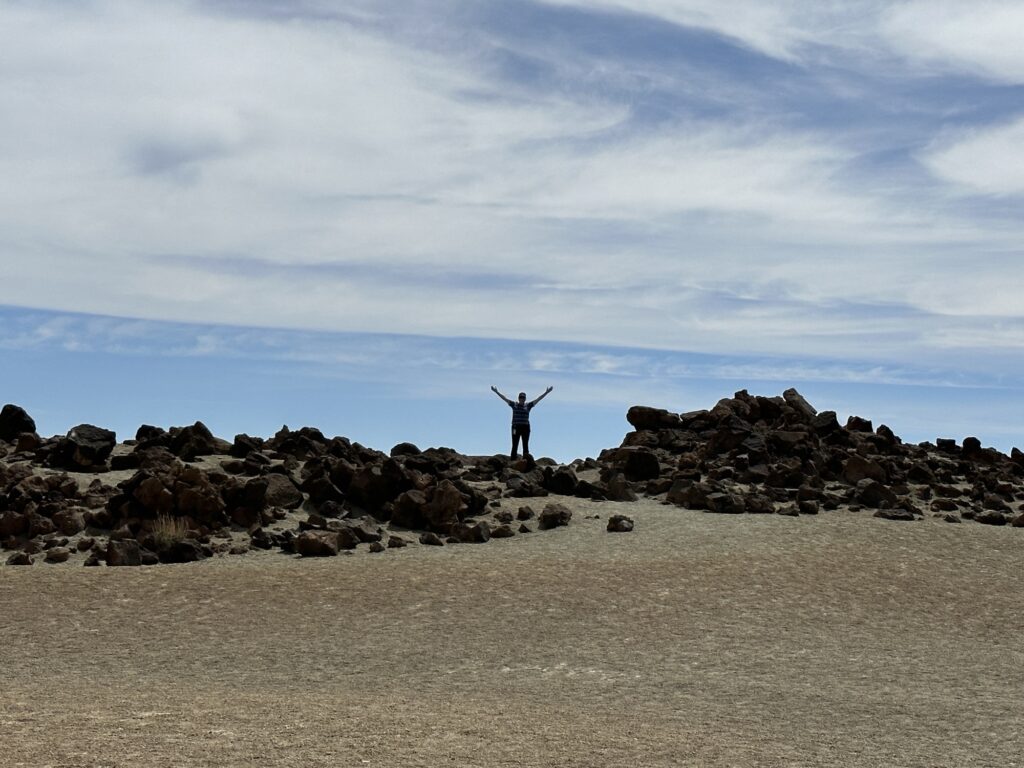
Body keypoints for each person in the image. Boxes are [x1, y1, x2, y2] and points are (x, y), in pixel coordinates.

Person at [491, 385, 553, 460]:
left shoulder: (528, 406)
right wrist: (496, 392)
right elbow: (505, 399)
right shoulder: (514, 404)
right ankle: (513, 460)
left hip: (525, 427)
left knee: (525, 445)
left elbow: (538, 399)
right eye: (520, 397)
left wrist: (546, 392)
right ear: (518, 398)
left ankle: (526, 461)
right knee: (514, 444)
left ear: (525, 399)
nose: (522, 399)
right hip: (515, 427)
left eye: (523, 398)